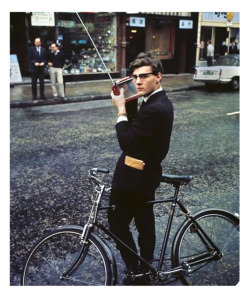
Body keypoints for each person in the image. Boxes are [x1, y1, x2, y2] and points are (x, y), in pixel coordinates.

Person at [108, 52, 174, 285]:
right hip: (145, 176)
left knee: (116, 223)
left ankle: (137, 268)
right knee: (144, 222)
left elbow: (128, 141)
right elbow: (141, 127)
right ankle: (145, 266)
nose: (137, 82)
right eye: (134, 77)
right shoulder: (156, 101)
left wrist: (121, 110)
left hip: (134, 180)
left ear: (158, 77)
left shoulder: (155, 108)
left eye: (144, 77)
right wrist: (127, 98)